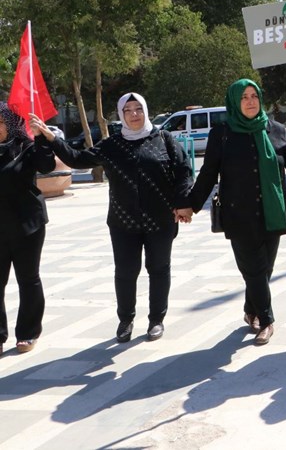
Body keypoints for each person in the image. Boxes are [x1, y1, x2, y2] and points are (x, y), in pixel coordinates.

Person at [35, 93, 193, 343]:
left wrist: (183, 203)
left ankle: (156, 320)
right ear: (121, 115)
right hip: (123, 222)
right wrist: (52, 138)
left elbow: (184, 170)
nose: (134, 114)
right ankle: (126, 320)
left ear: (146, 110)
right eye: (128, 110)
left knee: (159, 269)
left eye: (138, 108)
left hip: (161, 220)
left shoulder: (164, 139)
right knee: (126, 271)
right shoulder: (112, 145)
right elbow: (77, 159)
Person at [189, 79, 286, 346]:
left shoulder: (275, 129)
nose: (251, 101)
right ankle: (266, 319)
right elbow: (207, 174)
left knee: (265, 269)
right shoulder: (223, 133)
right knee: (254, 269)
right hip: (238, 214)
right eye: (244, 97)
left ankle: (251, 309)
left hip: (273, 210)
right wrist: (190, 205)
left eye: (254, 96)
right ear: (234, 102)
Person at [1, 105, 55, 354]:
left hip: (27, 226)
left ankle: (28, 333)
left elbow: (46, 167)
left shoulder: (26, 148)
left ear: (11, 123)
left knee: (28, 279)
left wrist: (42, 137)